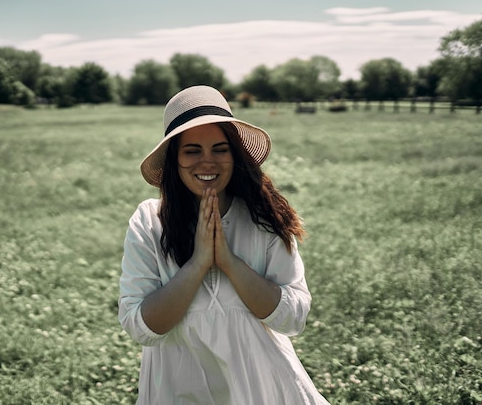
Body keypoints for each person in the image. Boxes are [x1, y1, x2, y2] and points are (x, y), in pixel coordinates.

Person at [119, 85, 330, 404]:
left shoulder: (265, 217)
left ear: (235, 154)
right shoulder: (150, 221)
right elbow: (140, 326)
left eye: (220, 149)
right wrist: (198, 263)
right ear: (175, 158)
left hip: (259, 386)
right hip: (178, 387)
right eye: (192, 150)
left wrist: (229, 262)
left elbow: (293, 317)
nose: (208, 162)